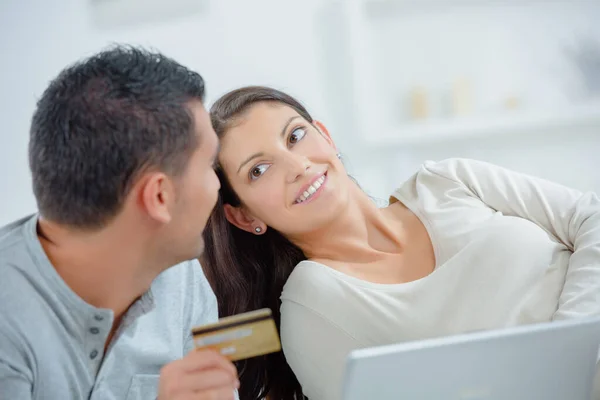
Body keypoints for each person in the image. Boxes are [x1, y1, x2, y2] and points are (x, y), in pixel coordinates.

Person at [200, 86, 600, 400]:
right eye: (259, 169)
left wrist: (570, 349)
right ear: (244, 215)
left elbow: (592, 216)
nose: (297, 166)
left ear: (325, 134)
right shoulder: (314, 305)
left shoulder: (448, 181)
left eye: (295, 135)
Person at [0, 45, 239, 400]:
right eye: (208, 165)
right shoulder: (9, 320)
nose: (218, 185)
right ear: (159, 197)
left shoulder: (182, 278)